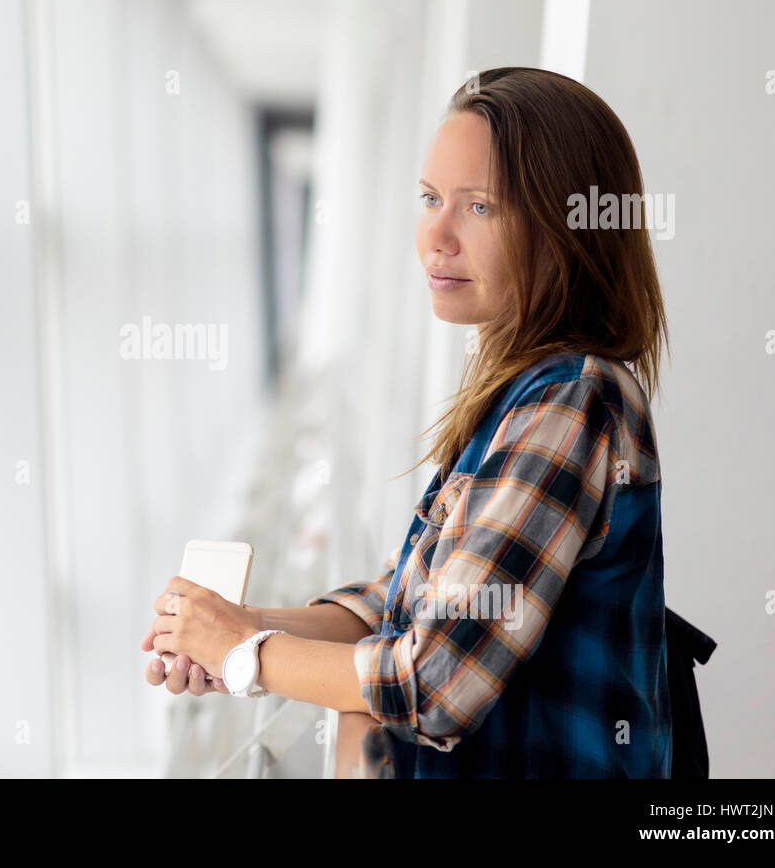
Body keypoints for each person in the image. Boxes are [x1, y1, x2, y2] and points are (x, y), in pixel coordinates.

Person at [141, 67, 673, 778]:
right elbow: (411, 601)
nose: (436, 236)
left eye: (479, 207)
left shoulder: (569, 403)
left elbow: (434, 685)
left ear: (561, 227)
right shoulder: (527, 389)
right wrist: (242, 631)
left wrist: (245, 655)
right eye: (429, 199)